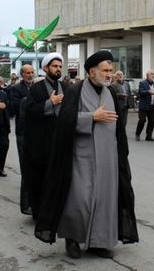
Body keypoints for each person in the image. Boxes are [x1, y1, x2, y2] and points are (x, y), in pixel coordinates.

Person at [34, 50, 138, 259]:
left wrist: (121, 155)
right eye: (105, 70)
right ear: (92, 72)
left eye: (111, 70)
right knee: (79, 200)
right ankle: (72, 239)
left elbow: (118, 127)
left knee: (105, 200)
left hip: (108, 158)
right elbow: (64, 121)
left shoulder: (110, 92)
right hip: (81, 157)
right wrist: (92, 117)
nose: (110, 74)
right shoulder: (75, 91)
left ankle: (98, 242)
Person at [24, 52, 67, 218]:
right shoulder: (36, 89)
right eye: (55, 66)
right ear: (45, 68)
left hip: (60, 140)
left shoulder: (67, 87)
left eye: (59, 67)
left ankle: (57, 209)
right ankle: (40, 212)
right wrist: (51, 103)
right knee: (41, 178)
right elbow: (30, 111)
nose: (58, 69)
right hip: (41, 143)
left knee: (59, 177)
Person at [8, 64, 35, 214]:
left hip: (37, 130)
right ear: (22, 75)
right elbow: (13, 108)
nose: (30, 75)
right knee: (25, 164)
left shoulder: (38, 86)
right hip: (23, 131)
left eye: (32, 72)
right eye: (27, 73)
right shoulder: (16, 89)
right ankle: (27, 201)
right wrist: (28, 100)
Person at [135, 70, 154, 141]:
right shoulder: (142, 83)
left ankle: (149, 136)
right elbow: (141, 92)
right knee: (142, 120)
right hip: (144, 106)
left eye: (153, 74)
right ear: (147, 76)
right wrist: (148, 92)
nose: (153, 76)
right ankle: (137, 134)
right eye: (151, 74)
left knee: (151, 121)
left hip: (151, 105)